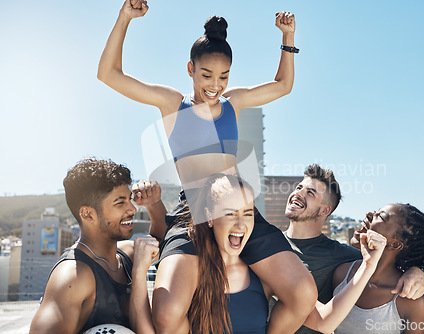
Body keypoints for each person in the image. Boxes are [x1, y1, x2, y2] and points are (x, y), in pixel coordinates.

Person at [99, 2, 317, 332]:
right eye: (206, 75)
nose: (215, 85)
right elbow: (108, 74)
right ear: (190, 68)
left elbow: (283, 85)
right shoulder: (172, 103)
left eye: (224, 77)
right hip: (193, 212)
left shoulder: (235, 102)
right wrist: (125, 17)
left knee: (303, 293)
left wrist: (287, 38)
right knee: (169, 313)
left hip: (238, 208)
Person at [280, 164, 424, 334]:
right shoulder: (267, 246)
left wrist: (417, 270)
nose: (298, 193)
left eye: (310, 192)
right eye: (299, 187)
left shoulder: (343, 259)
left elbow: (381, 264)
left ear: (325, 210)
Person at [133, 174, 288, 333]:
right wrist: (139, 272)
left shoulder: (263, 276)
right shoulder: (191, 276)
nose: (241, 224)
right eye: (230, 213)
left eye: (248, 214)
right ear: (210, 217)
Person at [29, 158, 159, 334]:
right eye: (120, 203)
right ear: (88, 214)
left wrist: (154, 204)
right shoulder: (72, 277)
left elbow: (169, 247)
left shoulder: (129, 253)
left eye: (130, 199)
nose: (132, 209)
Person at [304, 203, 424, 334]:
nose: (369, 214)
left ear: (394, 244)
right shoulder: (342, 273)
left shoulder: (411, 302)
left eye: (381, 217)